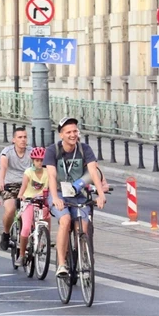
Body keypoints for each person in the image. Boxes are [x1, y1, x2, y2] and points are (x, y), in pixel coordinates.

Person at [43, 117, 106, 277]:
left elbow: (93, 171)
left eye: (75, 131)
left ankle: (81, 259)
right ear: (61, 135)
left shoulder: (84, 149)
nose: (73, 135)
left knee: (83, 227)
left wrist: (101, 193)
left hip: (78, 195)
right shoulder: (53, 150)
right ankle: (62, 264)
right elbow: (51, 175)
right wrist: (55, 198)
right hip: (59, 195)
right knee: (65, 221)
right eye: (68, 132)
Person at [0, 127, 32, 251]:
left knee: (35, 209)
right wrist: (1, 180)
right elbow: (3, 167)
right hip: (9, 185)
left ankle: (35, 237)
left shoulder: (31, 152)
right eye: (20, 137)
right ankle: (6, 233)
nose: (23, 140)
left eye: (25, 137)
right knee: (11, 209)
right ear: (13, 139)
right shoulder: (7, 151)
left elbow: (40, 166)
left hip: (27, 185)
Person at [14, 147, 50, 267]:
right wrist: (20, 196)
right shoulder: (29, 172)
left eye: (41, 160)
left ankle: (44, 238)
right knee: (25, 227)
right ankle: (22, 255)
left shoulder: (48, 172)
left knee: (47, 215)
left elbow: (48, 188)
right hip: (29, 201)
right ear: (33, 161)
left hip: (41, 201)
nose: (39, 162)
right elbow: (24, 186)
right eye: (37, 160)